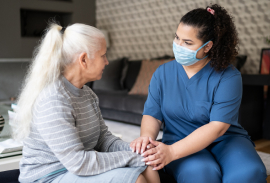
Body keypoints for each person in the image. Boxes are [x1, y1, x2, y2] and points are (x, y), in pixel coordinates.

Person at [130, 4, 267, 183]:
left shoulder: (229, 76)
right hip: (179, 139)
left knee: (249, 172)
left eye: (187, 42)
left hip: (225, 139)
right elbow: (152, 115)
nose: (178, 45)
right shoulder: (162, 73)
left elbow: (218, 127)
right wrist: (146, 138)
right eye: (177, 37)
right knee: (202, 173)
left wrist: (171, 153)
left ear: (207, 46)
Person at [12, 23, 160, 183]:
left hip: (73, 169)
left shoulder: (88, 94)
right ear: (83, 60)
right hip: (49, 176)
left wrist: (138, 151)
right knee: (134, 178)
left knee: (147, 166)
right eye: (103, 55)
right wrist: (131, 158)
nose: (107, 61)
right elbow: (79, 162)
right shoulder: (54, 100)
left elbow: (103, 139)